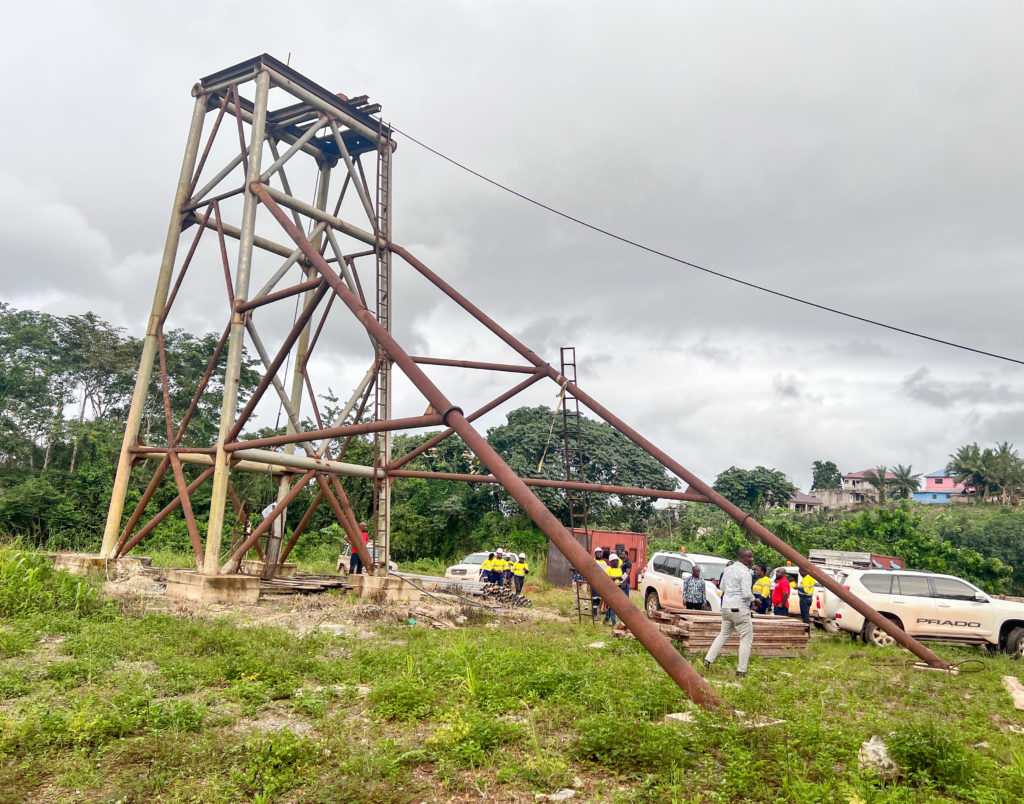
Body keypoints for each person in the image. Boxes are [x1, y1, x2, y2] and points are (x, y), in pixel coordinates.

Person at [703, 547, 755, 677]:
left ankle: (708, 659)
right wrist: (756, 600)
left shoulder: (728, 569)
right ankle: (742, 670)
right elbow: (747, 593)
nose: (752, 559)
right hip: (740, 609)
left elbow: (722, 587)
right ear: (742, 558)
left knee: (723, 634)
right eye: (749, 557)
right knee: (745, 639)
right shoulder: (745, 573)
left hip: (726, 607)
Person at [602, 554, 623, 626]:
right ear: (611, 562)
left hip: (619, 587)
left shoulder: (619, 569)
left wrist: (622, 579)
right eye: (615, 561)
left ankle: (606, 619)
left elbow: (621, 578)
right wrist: (615, 578)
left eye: (617, 560)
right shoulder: (608, 569)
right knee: (613, 606)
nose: (617, 562)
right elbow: (606, 579)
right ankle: (614, 623)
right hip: (611, 589)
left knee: (612, 605)